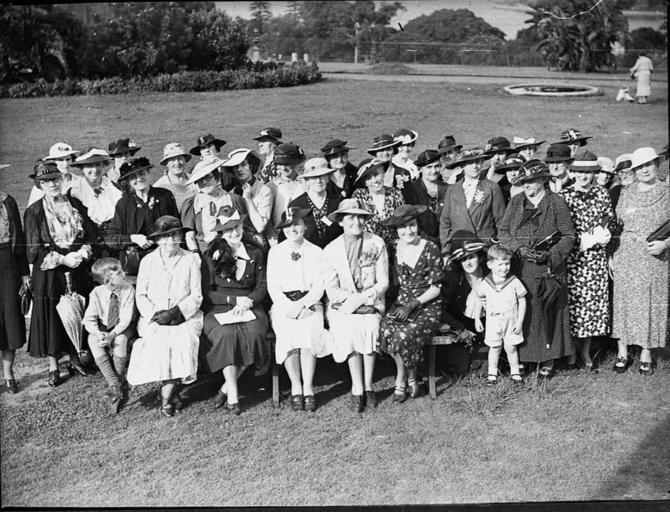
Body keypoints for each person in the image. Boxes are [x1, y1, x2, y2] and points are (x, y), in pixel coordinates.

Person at [498, 160, 576, 379]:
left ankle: (548, 359)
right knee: (524, 313)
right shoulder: (516, 202)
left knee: (547, 312)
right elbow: (503, 232)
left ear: (543, 179)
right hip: (521, 267)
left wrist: (550, 255)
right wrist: (519, 248)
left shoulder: (556, 202)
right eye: (523, 182)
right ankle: (523, 358)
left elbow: (568, 236)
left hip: (548, 269)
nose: (526, 185)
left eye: (530, 181)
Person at [24, 161, 96, 386]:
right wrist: (62, 259)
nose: (52, 184)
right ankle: (53, 365)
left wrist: (83, 251)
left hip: (76, 267)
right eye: (46, 182)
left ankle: (75, 357)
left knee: (76, 310)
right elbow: (33, 250)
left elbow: (90, 234)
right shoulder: (34, 212)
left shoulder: (74, 204)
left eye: (55, 179)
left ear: (61, 179)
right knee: (52, 315)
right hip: (50, 272)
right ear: (40, 185)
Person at [126, 216, 203, 417]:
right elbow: (141, 295)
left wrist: (176, 313)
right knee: (159, 341)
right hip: (155, 317)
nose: (171, 241)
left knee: (183, 340)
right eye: (165, 237)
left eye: (175, 236)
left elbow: (196, 295)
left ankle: (166, 395)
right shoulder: (148, 261)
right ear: (157, 240)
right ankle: (171, 390)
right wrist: (156, 314)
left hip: (185, 316)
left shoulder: (190, 259)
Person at [199, 208, 269, 415]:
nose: (234, 232)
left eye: (237, 227)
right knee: (226, 334)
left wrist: (249, 300)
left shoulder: (255, 253)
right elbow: (207, 291)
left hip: (250, 304)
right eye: (228, 229)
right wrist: (231, 300)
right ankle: (233, 393)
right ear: (221, 233)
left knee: (254, 332)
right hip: (220, 306)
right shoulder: (210, 254)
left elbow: (262, 285)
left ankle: (225, 387)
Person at [323, 199, 389, 412]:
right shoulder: (331, 249)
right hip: (342, 305)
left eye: (361, 217)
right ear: (341, 221)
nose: (357, 222)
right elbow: (331, 290)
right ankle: (357, 387)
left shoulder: (376, 243)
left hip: (371, 301)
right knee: (348, 328)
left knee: (369, 326)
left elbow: (383, 282)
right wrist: (352, 301)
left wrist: (364, 299)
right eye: (351, 217)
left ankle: (369, 385)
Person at [267, 207, 331, 412]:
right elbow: (273, 286)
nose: (292, 229)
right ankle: (296, 386)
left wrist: (303, 304)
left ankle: (308, 387)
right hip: (284, 305)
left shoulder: (316, 251)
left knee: (309, 331)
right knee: (287, 333)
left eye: (296, 224)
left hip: (310, 303)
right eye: (287, 226)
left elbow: (320, 285)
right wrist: (288, 307)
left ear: (305, 225)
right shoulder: (275, 252)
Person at [612, 147, 669, 375]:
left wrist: (666, 244)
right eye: (639, 167)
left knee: (650, 301)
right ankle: (622, 350)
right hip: (626, 254)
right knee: (624, 301)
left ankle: (646, 351)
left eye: (648, 165)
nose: (644, 170)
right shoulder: (626, 192)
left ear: (657, 165)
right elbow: (616, 224)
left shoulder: (667, 192)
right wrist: (612, 253)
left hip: (654, 255)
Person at [380, 205, 442, 402]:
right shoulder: (393, 248)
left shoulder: (430, 248)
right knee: (385, 331)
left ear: (418, 225)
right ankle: (411, 375)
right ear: (396, 230)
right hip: (401, 302)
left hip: (427, 304)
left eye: (412, 225)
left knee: (403, 334)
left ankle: (401, 379)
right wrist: (403, 305)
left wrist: (412, 304)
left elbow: (437, 287)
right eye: (402, 227)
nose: (408, 231)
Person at [559, 151, 613, 370]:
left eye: (588, 173)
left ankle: (585, 351)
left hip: (595, 259)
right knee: (574, 305)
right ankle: (571, 351)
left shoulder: (602, 194)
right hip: (573, 259)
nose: (583, 176)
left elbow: (608, 219)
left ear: (594, 174)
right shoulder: (564, 196)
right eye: (580, 172)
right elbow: (561, 229)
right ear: (573, 172)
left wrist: (604, 233)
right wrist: (580, 241)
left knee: (592, 306)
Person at [106, 158, 179, 281]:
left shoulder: (165, 196)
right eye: (133, 177)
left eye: (141, 173)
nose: (138, 179)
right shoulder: (123, 204)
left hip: (166, 261)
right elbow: (110, 239)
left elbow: (177, 228)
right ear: (128, 181)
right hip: (136, 267)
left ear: (148, 173)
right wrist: (133, 238)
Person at [83, 258, 135, 413]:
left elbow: (125, 319)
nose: (124, 273)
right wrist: (98, 333)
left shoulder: (128, 289)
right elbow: (89, 319)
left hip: (124, 327)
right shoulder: (96, 293)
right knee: (92, 339)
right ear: (107, 281)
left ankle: (120, 379)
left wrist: (112, 335)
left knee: (120, 339)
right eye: (119, 272)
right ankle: (113, 384)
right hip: (104, 327)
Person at [473, 245, 527, 385]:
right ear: (490, 265)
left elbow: (522, 300)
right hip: (493, 321)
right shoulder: (486, 283)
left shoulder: (514, 281)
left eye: (507, 264)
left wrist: (520, 321)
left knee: (511, 347)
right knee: (495, 347)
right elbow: (479, 299)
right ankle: (492, 374)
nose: (504, 268)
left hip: (511, 320)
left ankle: (515, 372)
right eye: (500, 264)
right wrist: (477, 318)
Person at [439, 148, 505, 257]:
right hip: (460, 248)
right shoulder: (453, 189)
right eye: (470, 163)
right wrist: (446, 250)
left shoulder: (491, 188)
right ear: (462, 166)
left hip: (484, 249)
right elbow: (445, 222)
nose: (475, 166)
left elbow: (501, 222)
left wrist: (498, 249)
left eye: (478, 162)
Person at [0, 169, 30, 393]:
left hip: (8, 266)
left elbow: (18, 239)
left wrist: (24, 273)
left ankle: (8, 374)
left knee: (10, 318)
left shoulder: (7, 201)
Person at [181, 158, 246, 254]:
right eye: (200, 180)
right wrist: (195, 254)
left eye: (208, 177)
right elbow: (189, 236)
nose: (204, 182)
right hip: (205, 253)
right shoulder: (192, 203)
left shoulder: (234, 199)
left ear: (216, 178)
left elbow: (244, 227)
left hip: (233, 250)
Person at [69, 148, 122, 259]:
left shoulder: (115, 188)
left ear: (103, 166)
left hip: (116, 243)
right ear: (82, 168)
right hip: (89, 247)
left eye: (98, 165)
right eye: (89, 166)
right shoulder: (74, 193)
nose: (95, 170)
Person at [221, 148, 273, 250]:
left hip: (258, 242)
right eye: (235, 166)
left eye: (243, 165)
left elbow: (260, 227)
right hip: (236, 241)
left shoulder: (264, 190)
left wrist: (248, 199)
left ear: (251, 166)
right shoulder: (231, 193)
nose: (239, 169)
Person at [288, 157, 343, 248]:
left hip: (334, 252)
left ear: (328, 178)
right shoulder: (296, 205)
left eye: (322, 176)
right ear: (307, 180)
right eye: (313, 177)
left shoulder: (338, 202)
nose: (318, 181)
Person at [352, 160, 405, 250]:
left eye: (376, 174)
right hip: (369, 247)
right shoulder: (359, 195)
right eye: (369, 178)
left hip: (395, 247)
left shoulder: (395, 194)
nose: (375, 180)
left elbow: (403, 222)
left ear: (383, 173)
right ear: (364, 182)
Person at [404, 149, 448, 244]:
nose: (434, 171)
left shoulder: (448, 188)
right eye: (429, 167)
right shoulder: (411, 189)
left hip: (445, 239)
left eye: (437, 166)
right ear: (420, 169)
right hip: (420, 240)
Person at [267, 143, 306, 246]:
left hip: (303, 235)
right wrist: (272, 238)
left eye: (287, 164)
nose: (283, 168)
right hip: (278, 237)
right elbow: (267, 217)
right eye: (280, 164)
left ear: (295, 163)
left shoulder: (305, 184)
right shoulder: (271, 187)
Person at [27, 142, 82, 206]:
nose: (65, 163)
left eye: (68, 159)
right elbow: (32, 209)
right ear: (52, 162)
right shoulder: (42, 186)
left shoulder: (81, 182)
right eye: (60, 160)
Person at [365, 134, 412, 202]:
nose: (385, 153)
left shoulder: (403, 173)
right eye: (381, 150)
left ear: (393, 150)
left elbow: (408, 199)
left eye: (388, 149)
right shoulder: (367, 173)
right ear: (375, 153)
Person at [153, 143, 198, 212]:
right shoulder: (159, 187)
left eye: (180, 158)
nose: (177, 163)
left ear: (185, 160)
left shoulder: (195, 179)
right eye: (172, 160)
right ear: (167, 163)